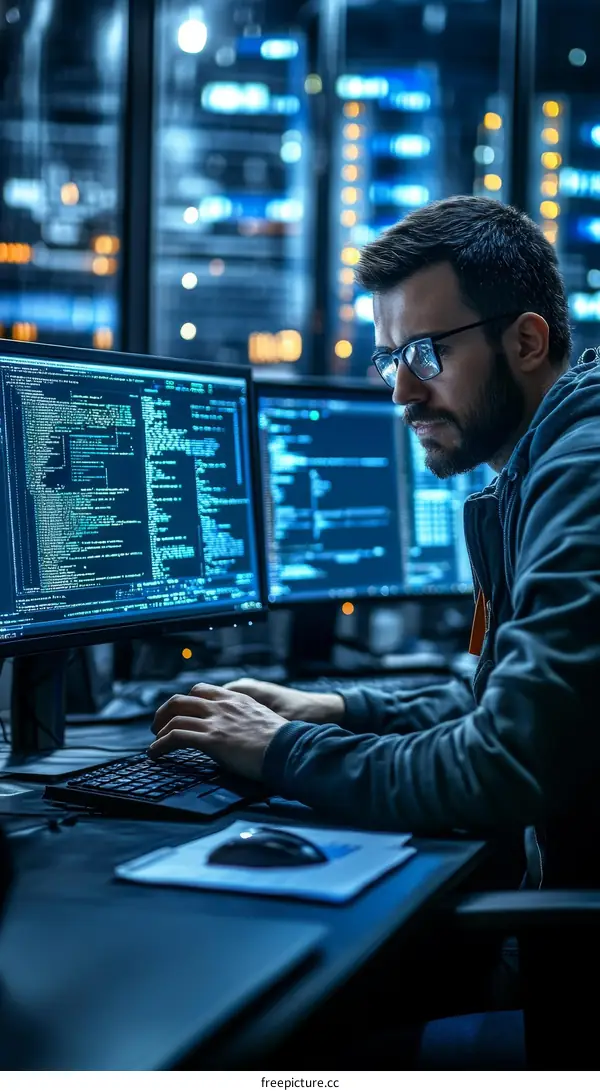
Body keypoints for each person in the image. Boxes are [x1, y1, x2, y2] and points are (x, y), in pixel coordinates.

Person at [150, 195, 600, 1065]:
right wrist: (332, 708)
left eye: (426, 352)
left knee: (282, 1060)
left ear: (528, 341)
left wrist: (281, 751)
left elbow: (501, 763)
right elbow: (493, 698)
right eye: (392, 355)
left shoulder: (582, 474)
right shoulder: (547, 462)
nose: (400, 388)